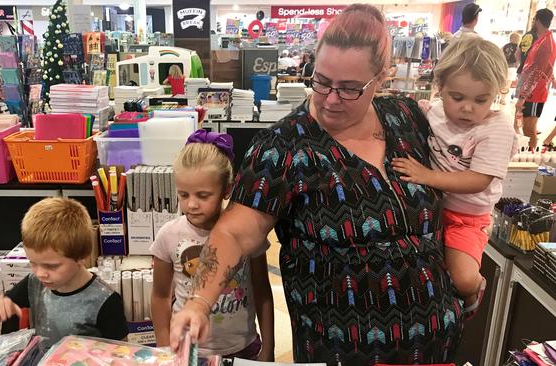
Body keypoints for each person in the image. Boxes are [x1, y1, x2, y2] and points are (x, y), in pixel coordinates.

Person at [169, 4, 463, 365]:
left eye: (350, 88)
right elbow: (233, 234)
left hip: (436, 347)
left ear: (381, 78)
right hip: (341, 352)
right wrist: (199, 303)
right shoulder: (284, 147)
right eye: (321, 81)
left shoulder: (406, 118)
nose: (331, 98)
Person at [392, 35, 517, 321]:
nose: (468, 108)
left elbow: (478, 181)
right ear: (440, 88)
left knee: (461, 279)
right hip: (431, 210)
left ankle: (476, 290)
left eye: (481, 100)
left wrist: (426, 176)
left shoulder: (495, 128)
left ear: (496, 94)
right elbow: (419, 111)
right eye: (457, 97)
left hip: (468, 219)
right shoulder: (436, 111)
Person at [151, 130, 274, 361]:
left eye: (203, 195)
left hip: (242, 348)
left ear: (226, 189)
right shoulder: (169, 235)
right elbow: (160, 296)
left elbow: (262, 291)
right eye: (184, 195)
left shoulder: (246, 235)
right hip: (189, 350)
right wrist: (163, 346)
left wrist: (269, 346)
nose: (192, 204)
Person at [0, 197, 129, 350]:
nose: (40, 273)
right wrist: (0, 304)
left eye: (51, 266)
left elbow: (121, 353)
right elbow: (8, 302)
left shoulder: (105, 301)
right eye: (33, 263)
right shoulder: (34, 282)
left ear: (82, 257)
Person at [516, 8, 556, 151]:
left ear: (537, 20)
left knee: (529, 128)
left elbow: (536, 73)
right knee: (528, 127)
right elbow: (544, 67)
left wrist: (522, 97)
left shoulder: (546, 43)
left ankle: (531, 157)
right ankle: (530, 153)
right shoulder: (544, 40)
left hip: (534, 93)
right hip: (534, 91)